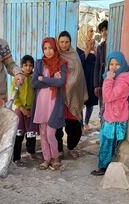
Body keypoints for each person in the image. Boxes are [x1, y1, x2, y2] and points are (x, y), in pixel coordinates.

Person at [91, 51, 129, 176]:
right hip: (111, 116)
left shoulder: (123, 82)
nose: (114, 67)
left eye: (117, 64)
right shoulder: (117, 77)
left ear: (123, 65)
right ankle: (105, 164)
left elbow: (108, 96)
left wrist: (108, 79)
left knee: (107, 144)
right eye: (111, 64)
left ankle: (103, 167)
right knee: (105, 142)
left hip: (115, 119)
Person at [30, 37, 67, 170]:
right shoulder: (39, 63)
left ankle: (56, 156)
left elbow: (61, 82)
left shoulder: (61, 63)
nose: (48, 51)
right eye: (45, 48)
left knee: (51, 133)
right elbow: (33, 82)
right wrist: (51, 80)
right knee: (43, 134)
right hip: (41, 103)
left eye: (50, 47)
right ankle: (46, 158)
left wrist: (44, 79)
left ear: (55, 48)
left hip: (53, 103)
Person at [56, 31, 88, 159]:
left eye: (67, 42)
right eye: (62, 42)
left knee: (73, 126)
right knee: (56, 126)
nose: (64, 45)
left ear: (70, 42)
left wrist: (71, 83)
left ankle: (71, 147)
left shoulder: (74, 55)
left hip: (73, 97)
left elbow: (79, 75)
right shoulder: (55, 55)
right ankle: (58, 150)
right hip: (58, 96)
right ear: (58, 42)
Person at [12, 55, 37, 166]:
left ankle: (31, 151)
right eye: (25, 65)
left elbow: (37, 95)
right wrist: (21, 108)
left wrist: (33, 109)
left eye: (30, 65)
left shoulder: (34, 79)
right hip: (19, 110)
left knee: (31, 133)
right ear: (21, 66)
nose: (28, 68)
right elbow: (14, 95)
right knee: (18, 134)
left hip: (32, 110)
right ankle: (16, 157)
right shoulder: (17, 79)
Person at [77, 25, 98, 133]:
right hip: (82, 78)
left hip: (92, 78)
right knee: (81, 103)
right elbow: (79, 62)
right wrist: (87, 49)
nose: (91, 33)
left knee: (90, 103)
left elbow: (99, 61)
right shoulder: (78, 47)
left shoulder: (95, 45)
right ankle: (80, 124)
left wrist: (94, 49)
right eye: (90, 31)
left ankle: (86, 123)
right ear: (84, 32)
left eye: (93, 31)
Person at [93, 20, 108, 122]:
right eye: (102, 30)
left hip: (113, 82)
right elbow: (97, 67)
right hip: (102, 82)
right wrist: (96, 85)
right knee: (102, 107)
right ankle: (103, 127)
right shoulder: (100, 47)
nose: (104, 32)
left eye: (106, 29)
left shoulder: (116, 44)